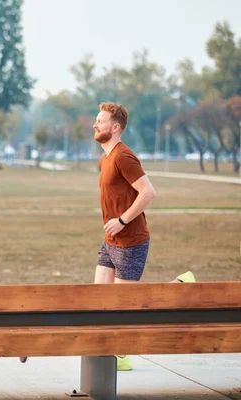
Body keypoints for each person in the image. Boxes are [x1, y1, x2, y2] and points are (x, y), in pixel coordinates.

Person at [93, 101, 195, 371]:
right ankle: (108, 349)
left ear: (115, 128)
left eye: (100, 121)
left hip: (131, 241)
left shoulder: (123, 156)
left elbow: (148, 192)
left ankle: (122, 354)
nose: (95, 124)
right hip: (110, 240)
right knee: (99, 299)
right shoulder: (105, 158)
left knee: (127, 304)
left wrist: (123, 220)